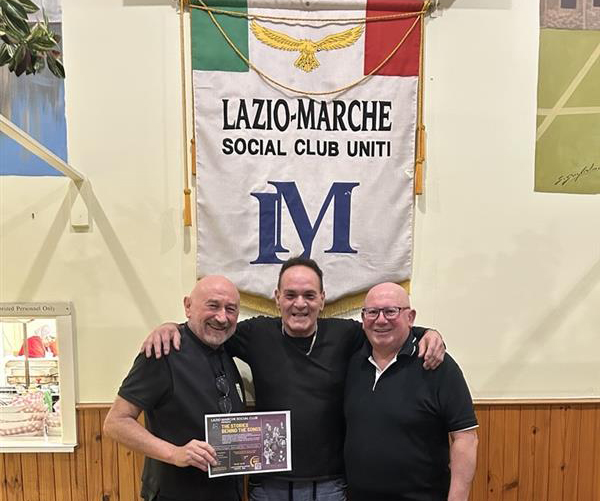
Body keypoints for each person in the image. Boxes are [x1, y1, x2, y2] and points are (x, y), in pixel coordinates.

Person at [143, 257, 446, 501]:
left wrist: (427, 334)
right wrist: (171, 327)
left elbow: (386, 331)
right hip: (268, 484)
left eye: (309, 295)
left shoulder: (345, 334)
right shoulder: (256, 333)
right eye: (290, 295)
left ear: (322, 299)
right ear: (277, 298)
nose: (300, 303)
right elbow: (209, 329)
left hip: (330, 485)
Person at [104, 276, 246, 501]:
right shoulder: (163, 351)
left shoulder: (226, 347)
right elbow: (115, 423)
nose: (222, 317)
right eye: (213, 305)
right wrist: (175, 453)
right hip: (175, 493)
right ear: (188, 306)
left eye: (231, 309)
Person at [344, 283, 478, 501]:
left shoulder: (437, 365)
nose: (380, 320)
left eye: (391, 311)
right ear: (363, 317)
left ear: (410, 317)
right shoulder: (351, 363)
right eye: (372, 312)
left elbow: (465, 439)